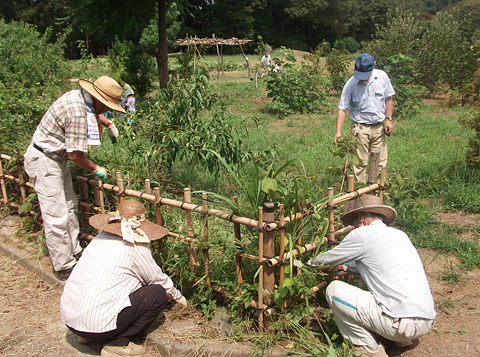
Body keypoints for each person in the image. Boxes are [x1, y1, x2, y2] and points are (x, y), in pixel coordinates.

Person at [23, 76, 126, 280]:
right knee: (57, 214)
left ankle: (75, 250)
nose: (107, 110)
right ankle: (63, 265)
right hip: (45, 160)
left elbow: (92, 114)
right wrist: (96, 168)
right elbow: (75, 155)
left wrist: (107, 122)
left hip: (55, 159)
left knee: (69, 206)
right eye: (107, 107)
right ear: (99, 100)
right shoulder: (78, 112)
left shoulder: (81, 99)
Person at [309, 195, 436, 357]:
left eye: (353, 222)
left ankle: (368, 348)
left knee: (334, 290)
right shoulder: (400, 235)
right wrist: (345, 266)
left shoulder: (362, 234)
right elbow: (376, 263)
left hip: (397, 325)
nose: (353, 227)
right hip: (427, 319)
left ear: (361, 218)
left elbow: (323, 261)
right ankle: (402, 341)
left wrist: (304, 264)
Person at [60, 200, 188, 357]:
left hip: (71, 321)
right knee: (157, 294)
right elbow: (157, 279)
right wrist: (178, 297)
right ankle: (117, 343)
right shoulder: (134, 247)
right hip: (95, 326)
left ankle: (87, 335)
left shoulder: (99, 239)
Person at [334, 53, 395, 183]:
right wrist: (338, 132)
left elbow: (388, 98)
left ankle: (377, 191)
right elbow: (342, 108)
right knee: (359, 164)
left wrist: (388, 119)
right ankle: (360, 194)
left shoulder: (382, 77)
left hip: (379, 128)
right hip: (360, 129)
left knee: (380, 162)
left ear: (373, 67)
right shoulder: (351, 84)